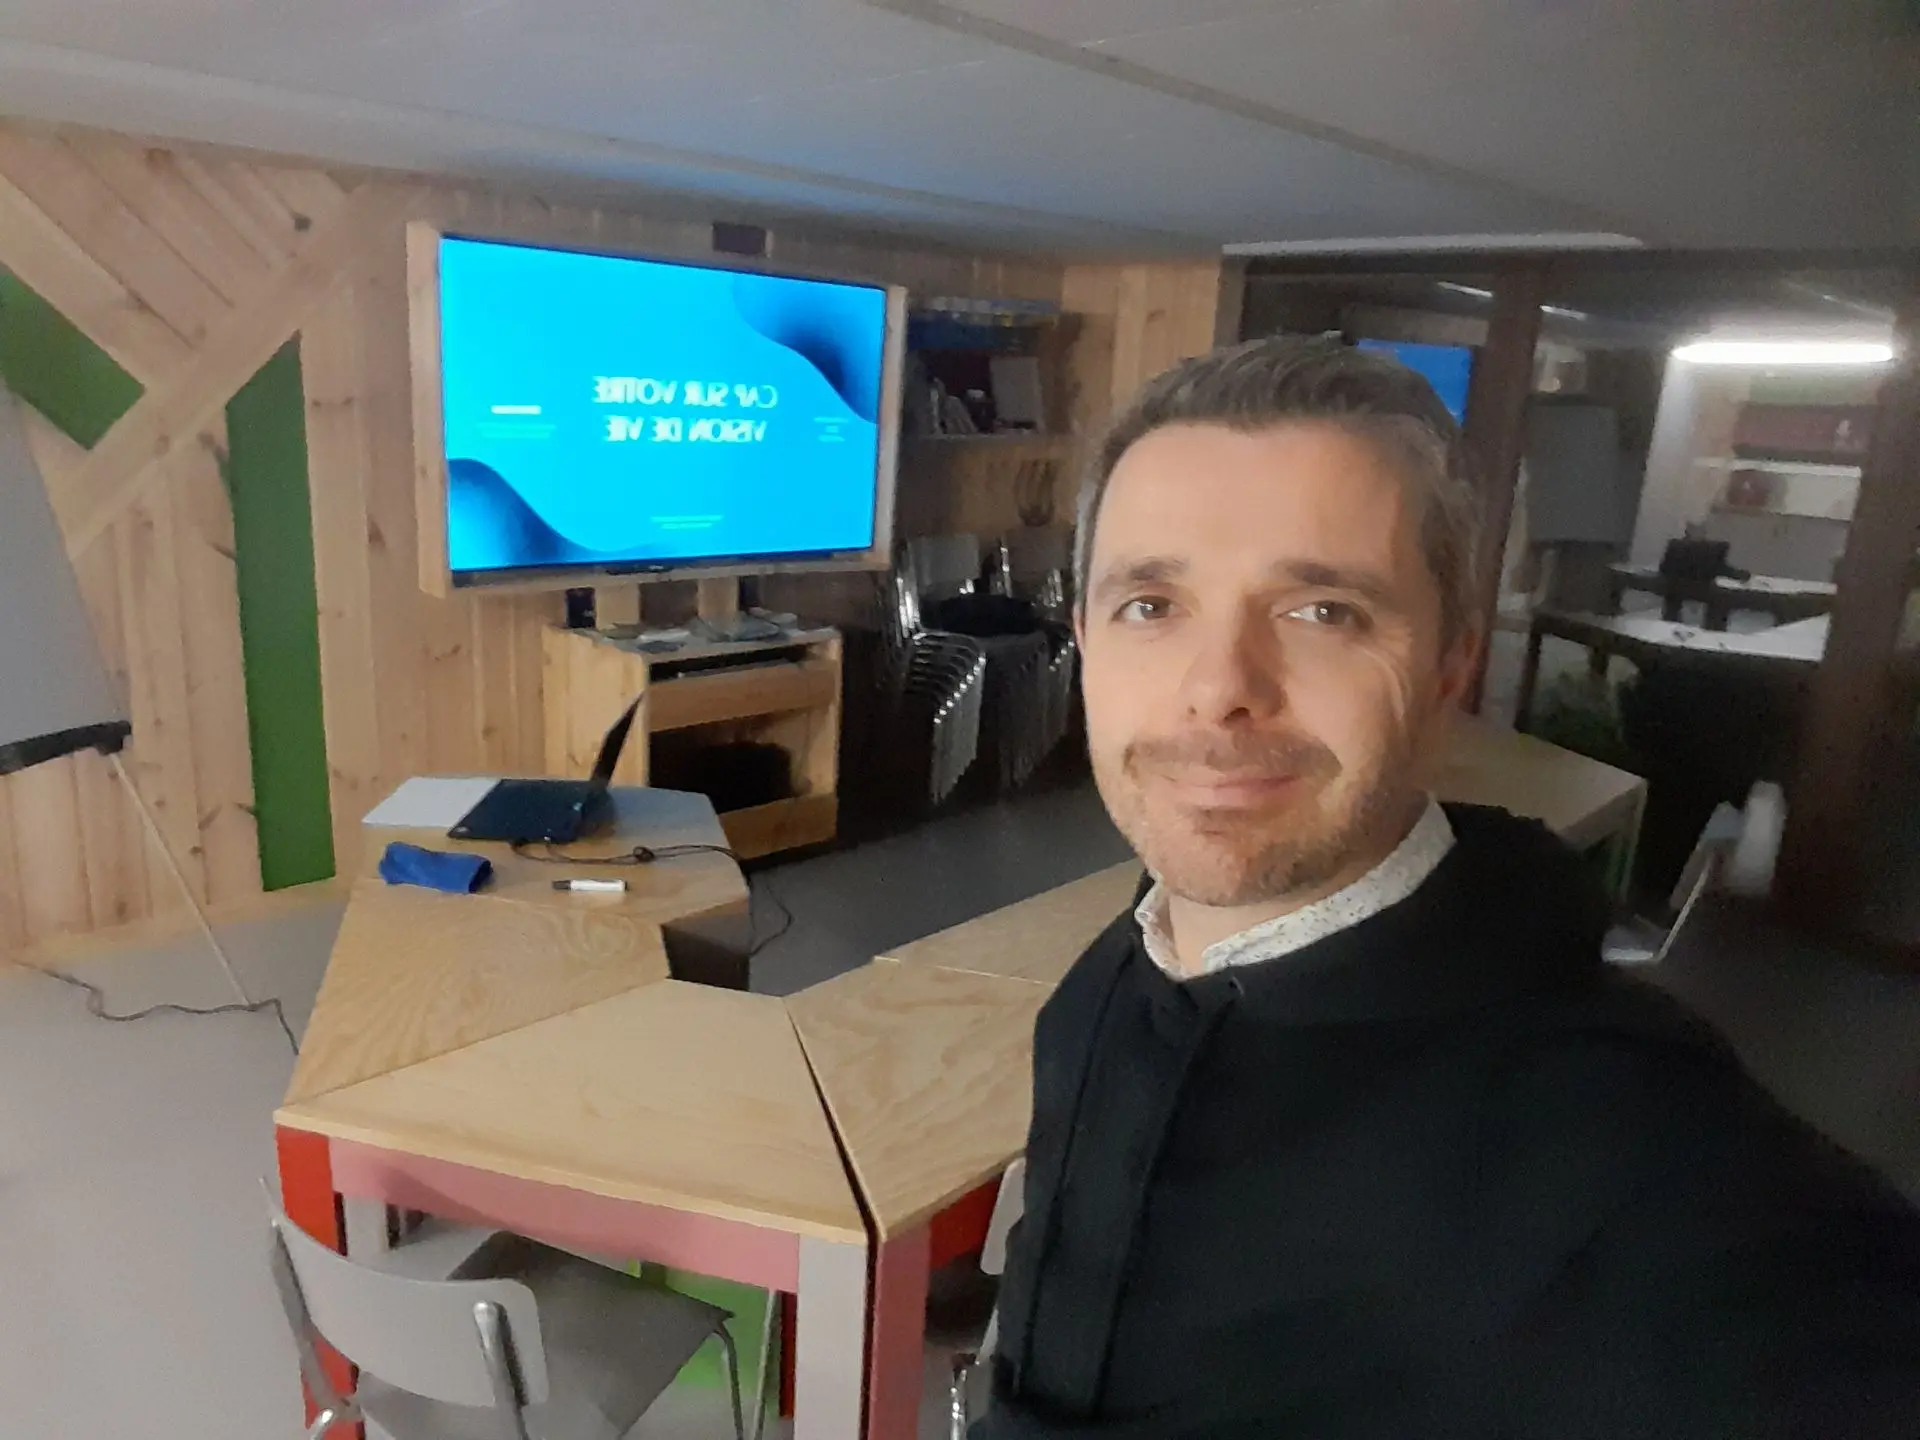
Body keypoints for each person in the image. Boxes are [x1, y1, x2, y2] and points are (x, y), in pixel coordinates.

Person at [978, 336, 1920, 1439]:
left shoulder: (1649, 1165)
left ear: (1449, 666)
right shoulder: (1103, 987)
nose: (1219, 688)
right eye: (1150, 604)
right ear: (1086, 641)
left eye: (1323, 610)